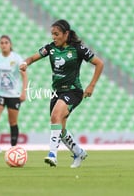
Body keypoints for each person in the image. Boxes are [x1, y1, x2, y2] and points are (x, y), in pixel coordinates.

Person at [20, 19, 103, 168]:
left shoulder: (78, 49)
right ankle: (79, 152)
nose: (53, 37)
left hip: (73, 91)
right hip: (57, 92)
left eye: (56, 34)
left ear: (66, 34)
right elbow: (32, 58)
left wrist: (91, 85)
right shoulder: (50, 48)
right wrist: (25, 63)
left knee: (55, 116)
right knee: (60, 128)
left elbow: (99, 63)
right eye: (52, 34)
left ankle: (52, 154)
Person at [0, 35, 28, 156]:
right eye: (1, 43)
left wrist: (24, 92)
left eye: (6, 42)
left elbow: (24, 75)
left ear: (10, 44)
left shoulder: (17, 58)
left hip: (13, 94)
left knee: (12, 121)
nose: (4, 45)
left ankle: (13, 148)